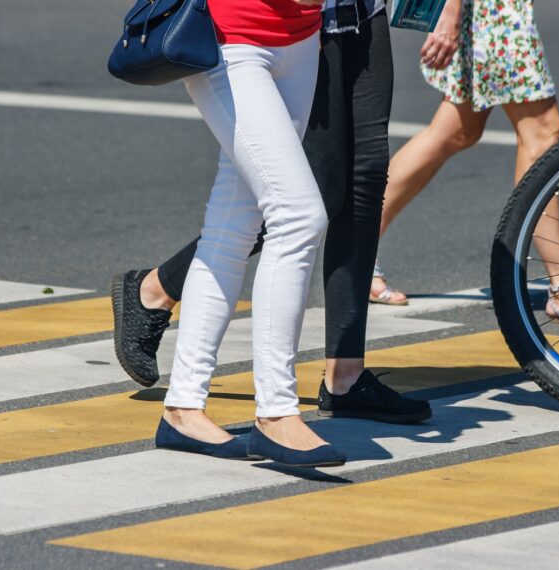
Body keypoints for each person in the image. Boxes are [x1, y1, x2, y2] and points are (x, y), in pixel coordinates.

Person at [112, 0, 432, 446]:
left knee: (234, 223)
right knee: (299, 215)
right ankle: (277, 414)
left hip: (300, 41)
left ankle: (183, 408)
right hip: (235, 38)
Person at [371, 0, 559, 328]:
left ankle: (358, 252)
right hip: (492, 9)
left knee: (456, 130)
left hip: (487, 10)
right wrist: (451, 10)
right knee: (542, 130)